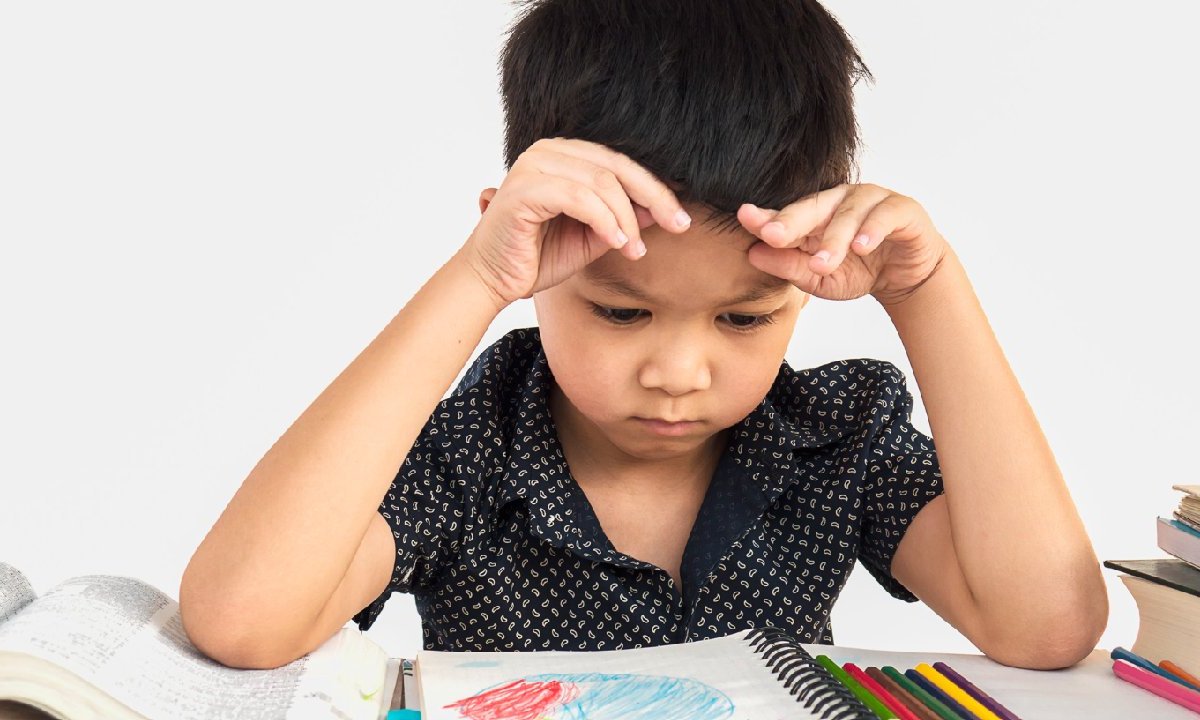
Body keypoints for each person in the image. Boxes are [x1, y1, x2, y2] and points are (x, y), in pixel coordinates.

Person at [178, 0, 1107, 671]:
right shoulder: (469, 453)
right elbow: (242, 621)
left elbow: (1045, 626)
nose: (676, 373)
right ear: (534, 250)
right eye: (621, 312)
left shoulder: (836, 442)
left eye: (746, 318)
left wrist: (929, 292)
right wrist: (474, 277)